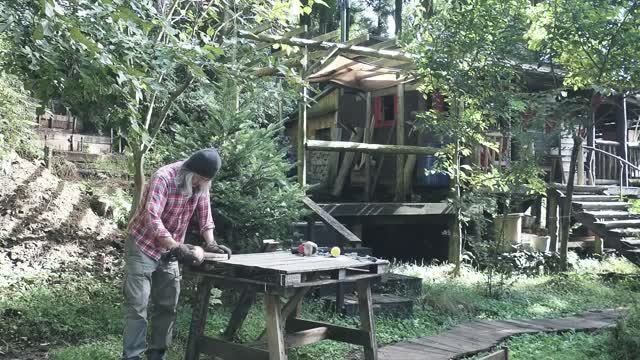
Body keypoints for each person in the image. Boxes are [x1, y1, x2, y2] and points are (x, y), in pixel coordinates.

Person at [122, 148, 231, 360]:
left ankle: (157, 357)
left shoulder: (202, 183)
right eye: (199, 179)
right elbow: (151, 217)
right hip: (143, 246)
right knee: (138, 307)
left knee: (167, 306)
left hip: (170, 251)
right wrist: (175, 246)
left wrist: (211, 243)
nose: (200, 184)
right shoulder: (163, 178)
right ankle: (132, 357)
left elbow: (205, 214)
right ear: (189, 172)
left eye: (205, 180)